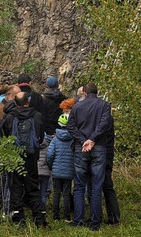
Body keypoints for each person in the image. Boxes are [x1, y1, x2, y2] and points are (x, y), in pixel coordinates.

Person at [0, 91, 47, 227]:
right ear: (27, 101)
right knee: (33, 188)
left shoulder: (10, 117)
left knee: (16, 188)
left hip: (14, 157)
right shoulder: (38, 116)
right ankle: (39, 219)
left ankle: (18, 219)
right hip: (31, 158)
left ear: (15, 103)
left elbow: (3, 136)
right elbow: (40, 138)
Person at [66, 82, 112, 231]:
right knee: (97, 186)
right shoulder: (104, 105)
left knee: (79, 185)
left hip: (81, 147)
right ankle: (95, 223)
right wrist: (93, 139)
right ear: (96, 92)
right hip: (98, 146)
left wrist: (83, 140)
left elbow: (70, 126)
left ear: (84, 92)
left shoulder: (77, 107)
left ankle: (78, 220)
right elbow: (104, 124)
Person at [47, 113, 74, 222]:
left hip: (56, 171)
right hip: (69, 171)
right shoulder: (73, 139)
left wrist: (51, 166)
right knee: (67, 194)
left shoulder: (55, 139)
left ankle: (56, 216)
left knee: (56, 193)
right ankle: (67, 217)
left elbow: (50, 155)